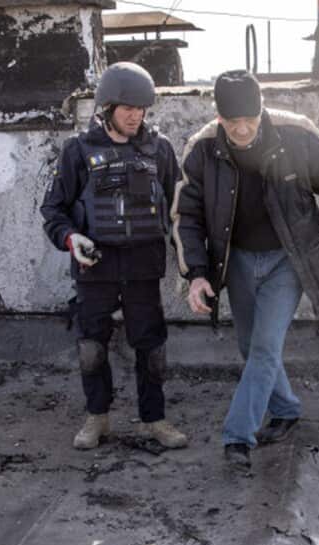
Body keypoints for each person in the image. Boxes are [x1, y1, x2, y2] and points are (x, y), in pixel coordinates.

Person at [173, 70, 319, 469]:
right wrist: (196, 274)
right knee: (251, 347)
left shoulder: (297, 134)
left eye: (249, 119)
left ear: (261, 110)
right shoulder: (201, 149)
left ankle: (238, 438)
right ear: (219, 119)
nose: (243, 129)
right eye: (233, 123)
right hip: (236, 261)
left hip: (290, 258)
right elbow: (187, 215)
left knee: (266, 346)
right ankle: (286, 409)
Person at [40, 62, 188, 451]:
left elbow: (179, 212)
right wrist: (71, 238)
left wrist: (195, 267)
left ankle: (153, 419)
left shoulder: (161, 149)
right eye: (127, 108)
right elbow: (53, 210)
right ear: (106, 108)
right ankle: (97, 417)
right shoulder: (78, 150)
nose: (135, 116)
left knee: (152, 348)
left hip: (143, 267)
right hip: (96, 267)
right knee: (91, 347)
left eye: (141, 108)